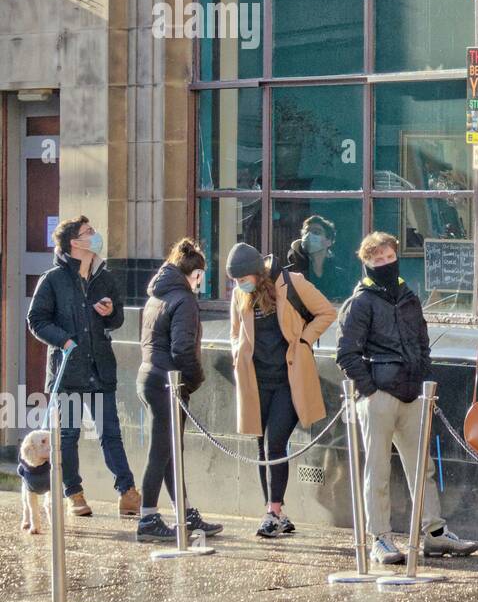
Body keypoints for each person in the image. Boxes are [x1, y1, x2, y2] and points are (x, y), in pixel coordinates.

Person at [336, 232, 477, 565]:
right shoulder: (361, 302)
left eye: (388, 257)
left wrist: (421, 374)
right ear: (366, 263)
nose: (384, 263)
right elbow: (346, 353)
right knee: (378, 470)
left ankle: (434, 533)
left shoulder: (409, 297)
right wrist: (370, 388)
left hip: (412, 393)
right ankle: (380, 538)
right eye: (376, 260)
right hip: (380, 395)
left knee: (422, 468)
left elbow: (422, 342)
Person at [26, 215, 140, 519]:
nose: (96, 235)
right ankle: (74, 493)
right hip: (69, 372)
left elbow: (116, 321)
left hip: (100, 368)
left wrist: (111, 312)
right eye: (89, 232)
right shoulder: (52, 279)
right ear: (75, 243)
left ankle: (127, 492)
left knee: (110, 433)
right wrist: (63, 341)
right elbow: (36, 319)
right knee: (69, 435)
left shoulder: (105, 276)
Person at [228, 243, 337, 539]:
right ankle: (274, 511)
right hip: (256, 380)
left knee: (275, 443)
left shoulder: (292, 283)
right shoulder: (240, 294)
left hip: (290, 379)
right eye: (235, 281)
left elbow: (326, 312)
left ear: (256, 272)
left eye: (243, 278)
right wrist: (238, 351)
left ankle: (273, 512)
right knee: (261, 445)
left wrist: (304, 340)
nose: (240, 285)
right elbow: (235, 330)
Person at [135, 239, 223, 542]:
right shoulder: (183, 299)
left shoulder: (158, 294)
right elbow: (183, 348)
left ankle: (184, 512)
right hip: (167, 381)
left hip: (150, 375)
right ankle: (147, 517)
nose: (202, 280)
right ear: (196, 273)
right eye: (202, 275)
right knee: (161, 451)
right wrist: (195, 379)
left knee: (169, 450)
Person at [286, 215, 349, 302]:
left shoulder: (341, 277)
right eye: (306, 232)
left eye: (316, 232)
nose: (309, 235)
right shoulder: (289, 274)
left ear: (329, 241)